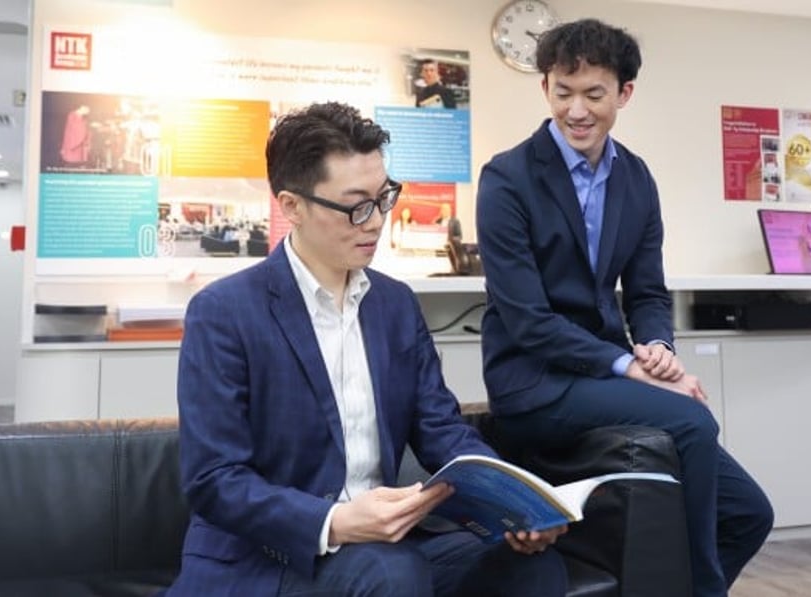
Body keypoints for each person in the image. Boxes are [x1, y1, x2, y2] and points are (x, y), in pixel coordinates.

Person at [167, 102, 566, 597]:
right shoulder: (224, 312)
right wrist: (334, 521)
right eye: (357, 205)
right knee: (391, 573)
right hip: (270, 556)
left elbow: (440, 428)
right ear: (292, 205)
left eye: (385, 198)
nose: (376, 221)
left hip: (390, 547)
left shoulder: (394, 304)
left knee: (535, 566)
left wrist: (512, 504)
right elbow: (214, 478)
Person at [475, 19, 773, 597]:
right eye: (563, 92)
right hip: (534, 383)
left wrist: (658, 350)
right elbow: (528, 322)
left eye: (594, 94)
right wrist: (629, 368)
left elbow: (647, 294)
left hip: (603, 376)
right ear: (545, 89)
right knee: (691, 417)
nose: (577, 110)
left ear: (624, 94)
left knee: (749, 515)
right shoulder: (507, 179)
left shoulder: (635, 178)